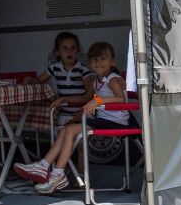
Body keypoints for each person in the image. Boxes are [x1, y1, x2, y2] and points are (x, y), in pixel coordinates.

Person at [13, 41, 127, 194]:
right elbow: (86, 98)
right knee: (67, 129)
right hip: (103, 120)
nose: (98, 63)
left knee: (71, 130)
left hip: (116, 122)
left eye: (102, 59)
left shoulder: (113, 79)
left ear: (112, 62)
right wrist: (64, 99)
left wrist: (99, 101)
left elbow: (121, 99)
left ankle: (57, 173)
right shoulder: (96, 80)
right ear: (90, 63)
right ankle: (44, 166)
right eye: (94, 60)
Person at [23, 31, 93, 127]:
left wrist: (82, 112)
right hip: (63, 114)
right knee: (60, 132)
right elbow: (39, 81)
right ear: (57, 52)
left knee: (75, 134)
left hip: (82, 114)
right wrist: (30, 80)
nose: (69, 51)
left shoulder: (83, 70)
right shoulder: (55, 67)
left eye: (73, 47)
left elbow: (89, 96)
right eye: (65, 48)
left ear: (78, 51)